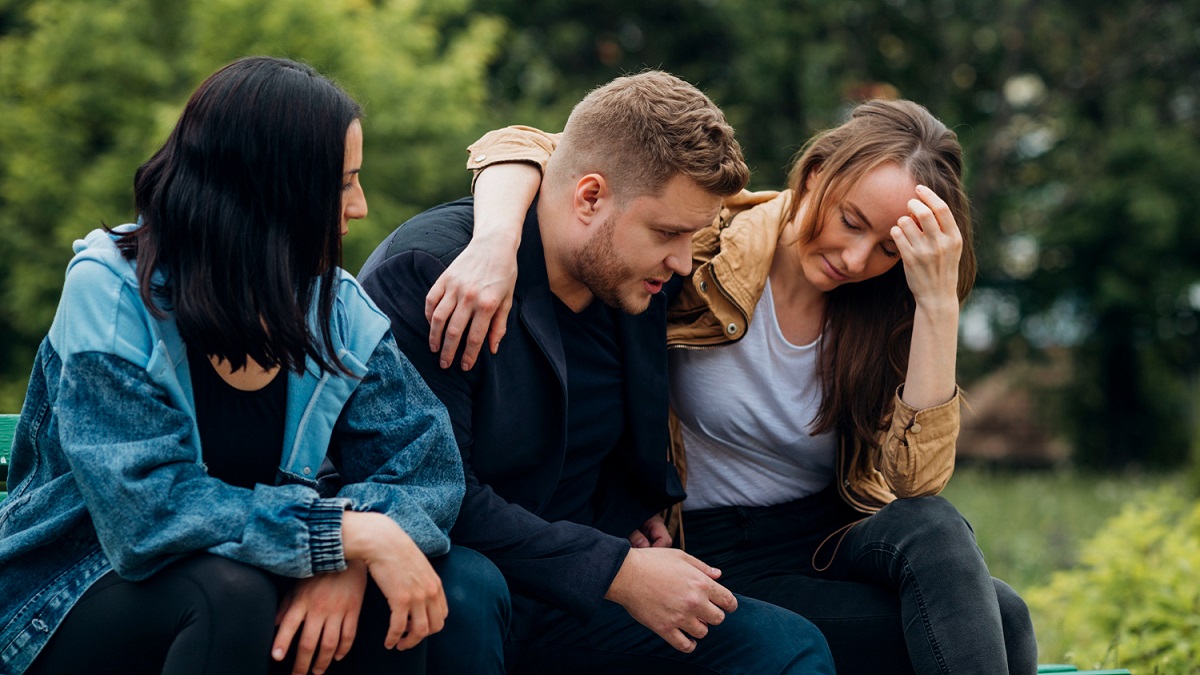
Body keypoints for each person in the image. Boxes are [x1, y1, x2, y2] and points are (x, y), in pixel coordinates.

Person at [425, 98, 1039, 674]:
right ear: (816, 171)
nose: (856, 259)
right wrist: (495, 241)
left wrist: (936, 303)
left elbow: (916, 484)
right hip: (717, 547)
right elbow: (537, 148)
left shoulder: (886, 306)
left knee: (956, 554)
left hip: (832, 535)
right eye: (851, 221)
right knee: (997, 623)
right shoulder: (699, 238)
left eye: (886, 249)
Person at [0, 56, 508, 675]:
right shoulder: (112, 295)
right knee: (227, 594)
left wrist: (345, 558)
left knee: (459, 585)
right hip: (70, 596)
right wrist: (343, 535)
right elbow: (148, 513)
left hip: (256, 580)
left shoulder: (334, 308)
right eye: (343, 183)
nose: (361, 208)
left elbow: (427, 470)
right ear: (272, 190)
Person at [357, 71, 835, 674]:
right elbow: (429, 497)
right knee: (467, 590)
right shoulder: (437, 273)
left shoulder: (635, 272)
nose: (684, 261)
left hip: (580, 597)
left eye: (693, 235)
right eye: (667, 233)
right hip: (466, 586)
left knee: (785, 648)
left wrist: (628, 516)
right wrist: (615, 570)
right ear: (588, 197)